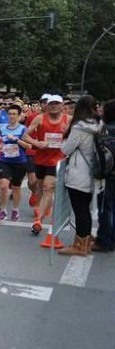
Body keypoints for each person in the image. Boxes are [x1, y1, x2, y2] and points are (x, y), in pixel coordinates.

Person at [58, 96, 104, 256]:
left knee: (80, 210)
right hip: (96, 172)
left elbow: (66, 149)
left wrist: (63, 139)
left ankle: (80, 245)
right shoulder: (100, 125)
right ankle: (86, 240)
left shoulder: (79, 127)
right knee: (86, 209)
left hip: (79, 174)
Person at [24, 94, 69, 243]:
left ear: (62, 105)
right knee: (40, 188)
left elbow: (76, 136)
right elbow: (25, 135)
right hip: (41, 159)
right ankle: (42, 207)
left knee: (49, 188)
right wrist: (37, 143)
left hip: (57, 160)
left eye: (57, 103)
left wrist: (67, 143)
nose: (54, 106)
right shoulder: (40, 118)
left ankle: (38, 220)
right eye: (51, 103)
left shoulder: (67, 120)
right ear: (47, 105)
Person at [0, 104, 32, 222]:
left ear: (19, 116)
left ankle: (15, 210)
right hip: (5, 161)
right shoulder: (2, 129)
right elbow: (2, 143)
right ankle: (3, 211)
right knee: (3, 185)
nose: (11, 116)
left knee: (16, 188)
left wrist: (16, 139)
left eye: (14, 114)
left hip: (19, 162)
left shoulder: (23, 129)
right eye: (10, 114)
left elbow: (28, 146)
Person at [93, 100, 115, 252]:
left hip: (109, 174)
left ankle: (103, 241)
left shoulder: (105, 129)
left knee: (105, 208)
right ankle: (112, 240)